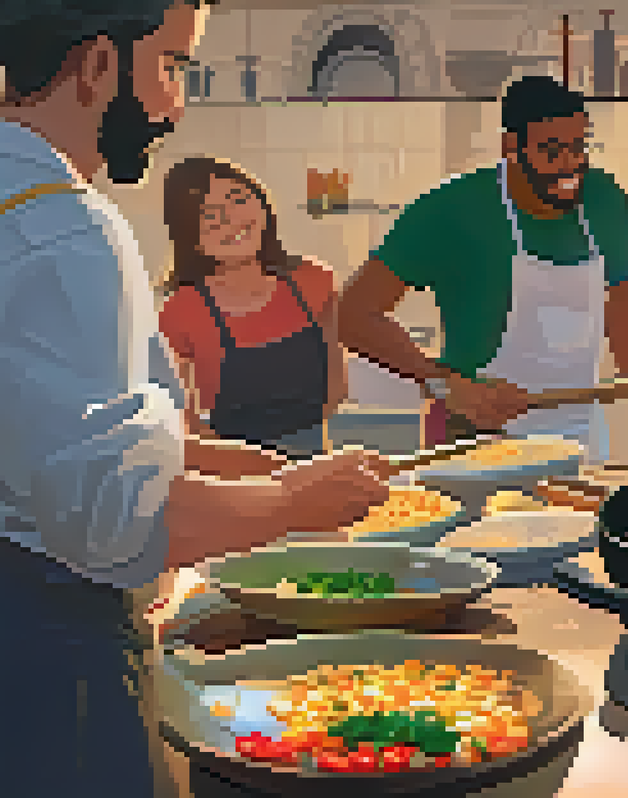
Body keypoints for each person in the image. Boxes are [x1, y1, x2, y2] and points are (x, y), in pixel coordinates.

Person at [0, 2, 390, 793]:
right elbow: (115, 517)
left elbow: (33, 432)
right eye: (172, 67)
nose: (175, 106)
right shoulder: (66, 228)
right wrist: (286, 498)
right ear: (97, 64)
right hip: (55, 645)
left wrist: (204, 458)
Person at [339, 75, 628, 462]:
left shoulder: (606, 200)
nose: (570, 166)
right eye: (551, 151)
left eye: (579, 149)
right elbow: (353, 315)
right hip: (477, 433)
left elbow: (620, 299)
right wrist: (444, 383)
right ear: (510, 146)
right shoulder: (451, 210)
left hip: (580, 429)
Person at [158, 157, 346, 457]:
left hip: (313, 463)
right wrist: (247, 466)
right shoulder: (179, 312)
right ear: (188, 234)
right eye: (208, 213)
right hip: (233, 475)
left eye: (237, 199)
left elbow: (336, 379)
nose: (230, 219)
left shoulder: (315, 281)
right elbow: (181, 418)